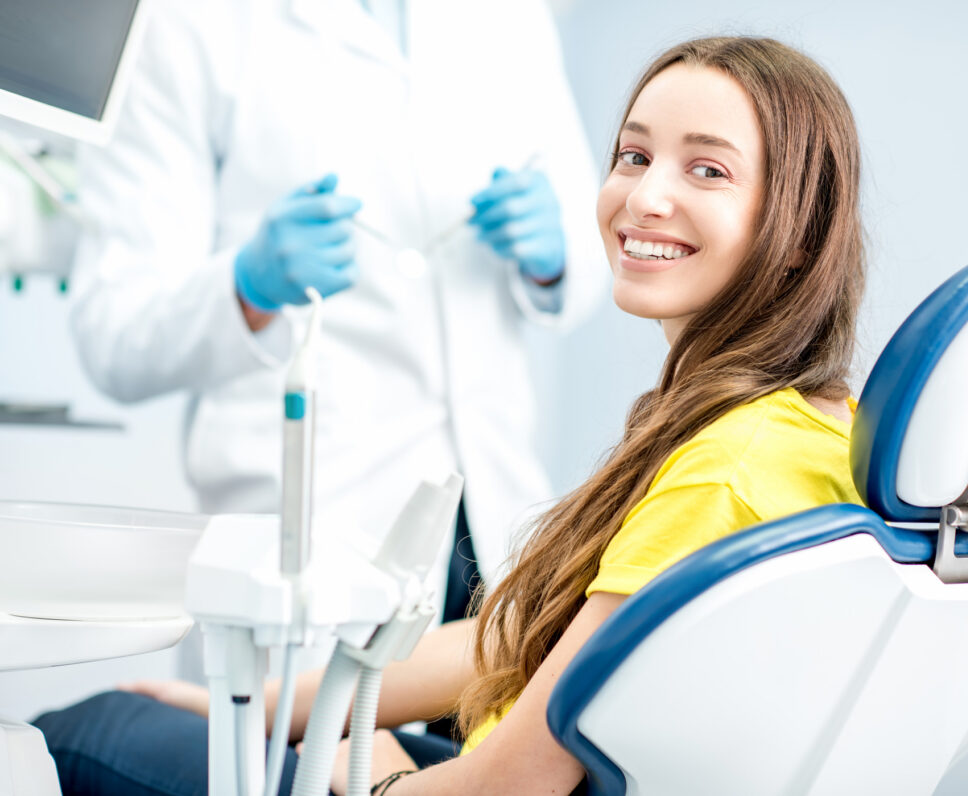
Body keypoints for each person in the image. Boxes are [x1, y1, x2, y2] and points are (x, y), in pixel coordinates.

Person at [37, 35, 866, 795]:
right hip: (338, 518)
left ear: (800, 226)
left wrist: (367, 770)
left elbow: (511, 781)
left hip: (469, 701)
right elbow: (520, 640)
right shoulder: (800, 427)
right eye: (632, 155)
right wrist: (264, 706)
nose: (644, 195)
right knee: (158, 720)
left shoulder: (725, 467)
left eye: (707, 170)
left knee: (81, 736)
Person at [69, 0, 607, 633]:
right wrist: (247, 287)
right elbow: (115, 330)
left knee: (490, 719)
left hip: (495, 517)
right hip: (312, 529)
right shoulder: (185, 22)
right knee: (309, 729)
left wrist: (556, 254)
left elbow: (592, 241)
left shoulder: (512, 18)